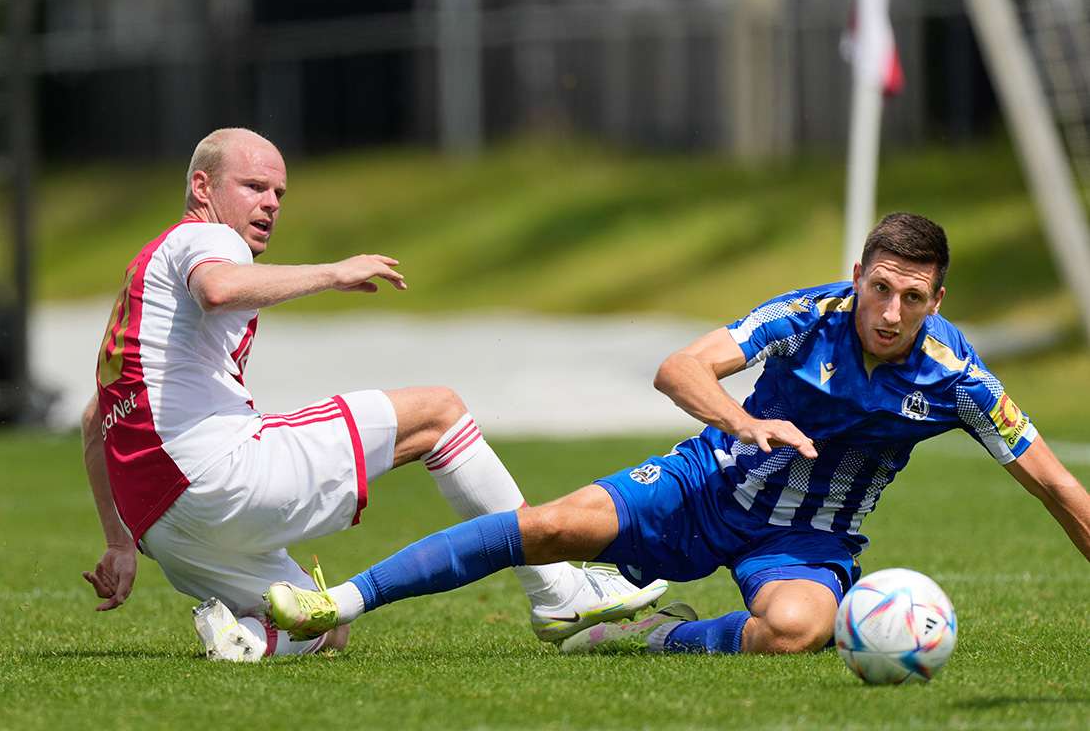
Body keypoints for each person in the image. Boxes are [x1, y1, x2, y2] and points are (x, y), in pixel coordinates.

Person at [267, 212, 1090, 656]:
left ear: (937, 301)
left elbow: (1056, 485)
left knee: (800, 630)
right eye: (881, 289)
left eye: (913, 298)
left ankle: (656, 633)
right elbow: (681, 367)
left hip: (809, 540)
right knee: (549, 527)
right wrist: (744, 420)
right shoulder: (808, 318)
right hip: (709, 483)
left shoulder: (959, 380)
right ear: (857, 278)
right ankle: (335, 602)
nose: (890, 313)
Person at [80, 128, 666, 662]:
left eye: (280, 192)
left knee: (325, 626)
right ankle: (558, 591)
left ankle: (247, 642)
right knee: (438, 412)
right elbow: (219, 287)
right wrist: (334, 272)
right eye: (254, 186)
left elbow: (93, 417)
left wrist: (119, 541)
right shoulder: (205, 238)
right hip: (219, 477)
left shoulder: (146, 277)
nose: (271, 204)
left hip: (164, 528)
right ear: (202, 186)